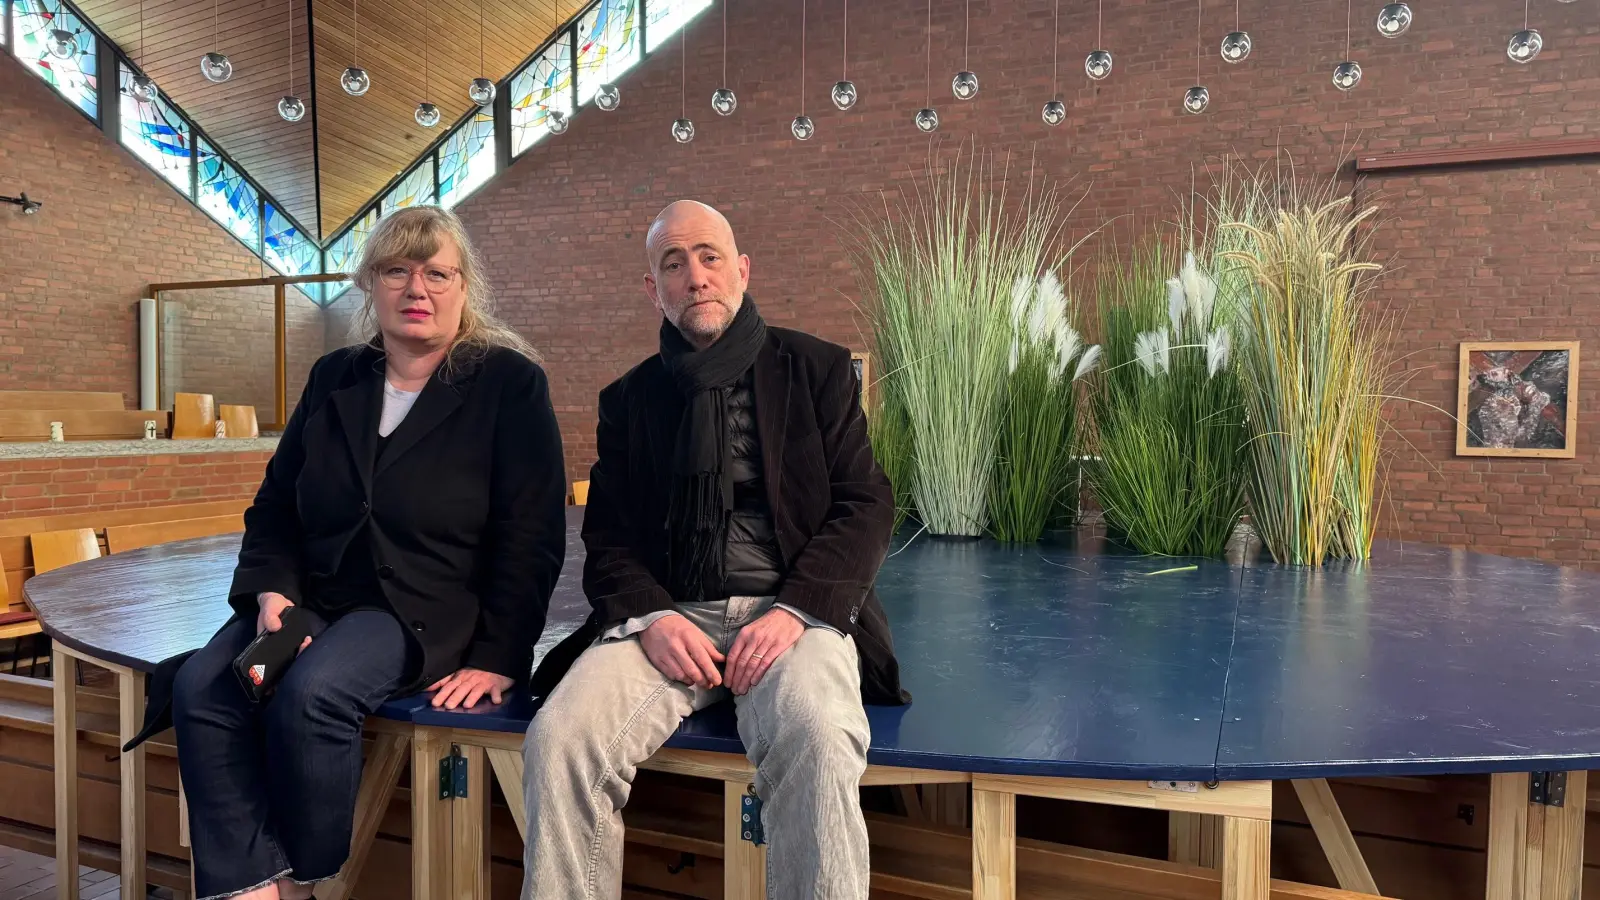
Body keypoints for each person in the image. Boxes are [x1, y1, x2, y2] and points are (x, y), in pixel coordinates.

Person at [166, 205, 568, 900]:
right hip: (313, 599)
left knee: (312, 694)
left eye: (437, 273)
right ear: (370, 285)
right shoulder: (336, 377)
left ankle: (307, 878)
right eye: (396, 271)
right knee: (205, 687)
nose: (417, 289)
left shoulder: (507, 383)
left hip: (416, 609)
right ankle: (250, 886)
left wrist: (500, 655)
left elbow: (530, 534)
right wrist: (272, 589)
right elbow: (275, 505)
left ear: (464, 288)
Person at [522, 200, 908, 900]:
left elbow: (864, 503)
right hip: (671, 618)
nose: (695, 276)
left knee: (820, 736)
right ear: (654, 289)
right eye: (674, 264)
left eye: (709, 257)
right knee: (559, 739)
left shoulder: (816, 370)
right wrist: (651, 618)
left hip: (792, 615)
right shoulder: (629, 399)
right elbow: (608, 535)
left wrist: (795, 610)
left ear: (742, 269)